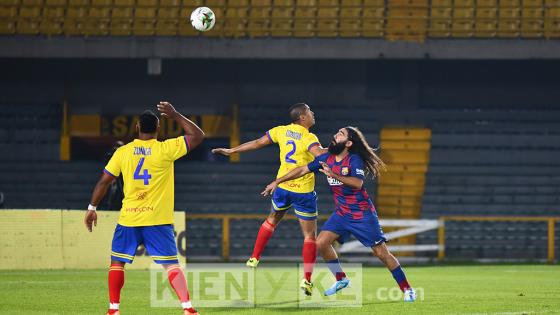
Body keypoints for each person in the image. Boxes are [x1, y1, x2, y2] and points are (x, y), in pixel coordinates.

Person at [262, 126, 416, 301]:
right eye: (337, 132)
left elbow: (357, 183)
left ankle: (407, 289)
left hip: (361, 214)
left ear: (349, 143)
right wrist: (277, 181)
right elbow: (302, 169)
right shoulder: (326, 158)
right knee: (320, 244)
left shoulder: (354, 160)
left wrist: (332, 173)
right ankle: (341, 279)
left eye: (341, 134)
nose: (335, 135)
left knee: (381, 253)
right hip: (342, 214)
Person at [84, 102, 205, 315]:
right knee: (171, 266)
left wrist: (92, 207)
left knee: (117, 262)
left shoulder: (122, 152)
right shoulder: (166, 149)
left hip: (129, 219)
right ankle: (187, 308)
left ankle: (113, 310)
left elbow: (104, 181)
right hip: (158, 219)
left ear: (137, 127)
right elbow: (197, 135)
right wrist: (175, 115)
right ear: (158, 129)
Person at [212, 103, 326, 296]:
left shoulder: (281, 131)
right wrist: (338, 150)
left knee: (272, 219)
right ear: (302, 118)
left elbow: (257, 143)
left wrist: (232, 151)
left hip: (282, 187)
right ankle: (307, 280)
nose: (313, 114)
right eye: (310, 112)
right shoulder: (309, 137)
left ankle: (254, 257)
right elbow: (320, 155)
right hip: (303, 190)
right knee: (309, 236)